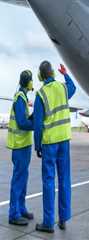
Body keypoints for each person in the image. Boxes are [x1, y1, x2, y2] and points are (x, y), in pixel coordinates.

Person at [34, 61, 76, 233]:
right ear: (53, 73)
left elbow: (37, 124)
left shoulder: (41, 94)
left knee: (48, 182)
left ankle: (48, 222)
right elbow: (73, 87)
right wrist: (65, 74)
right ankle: (64, 219)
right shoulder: (62, 88)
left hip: (50, 143)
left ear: (41, 76)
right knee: (64, 179)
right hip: (64, 141)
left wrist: (38, 145)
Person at [7, 70, 34, 226]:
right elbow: (22, 123)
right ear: (28, 82)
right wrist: (36, 125)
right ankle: (13, 214)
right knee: (18, 179)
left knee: (23, 178)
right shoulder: (19, 98)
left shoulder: (23, 97)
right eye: (31, 81)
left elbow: (24, 119)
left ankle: (22, 208)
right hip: (19, 145)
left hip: (25, 144)